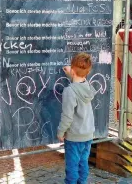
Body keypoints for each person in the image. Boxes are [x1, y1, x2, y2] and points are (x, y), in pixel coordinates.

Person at [57, 52, 97, 184]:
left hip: (74, 137)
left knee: (72, 167)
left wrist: (61, 132)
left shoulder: (70, 91)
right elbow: (80, 80)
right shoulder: (88, 86)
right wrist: (73, 74)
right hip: (88, 135)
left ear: (73, 70)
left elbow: (67, 116)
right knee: (83, 163)